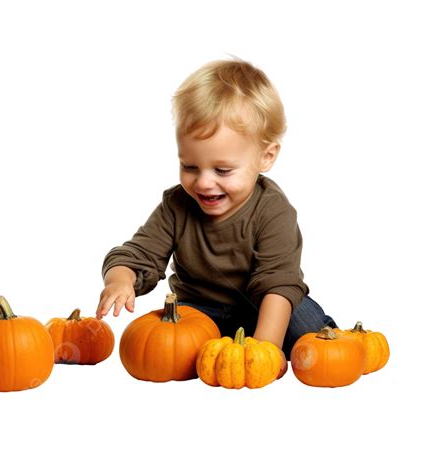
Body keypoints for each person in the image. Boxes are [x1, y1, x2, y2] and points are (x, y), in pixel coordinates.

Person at [96, 57, 337, 364]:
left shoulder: (273, 210)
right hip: (198, 311)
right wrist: (120, 279)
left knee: (303, 327)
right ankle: (218, 355)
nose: (204, 182)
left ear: (266, 157)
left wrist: (263, 353)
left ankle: (332, 339)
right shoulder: (177, 206)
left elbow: (278, 283)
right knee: (173, 347)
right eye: (190, 166)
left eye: (223, 170)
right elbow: (137, 253)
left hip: (261, 304)